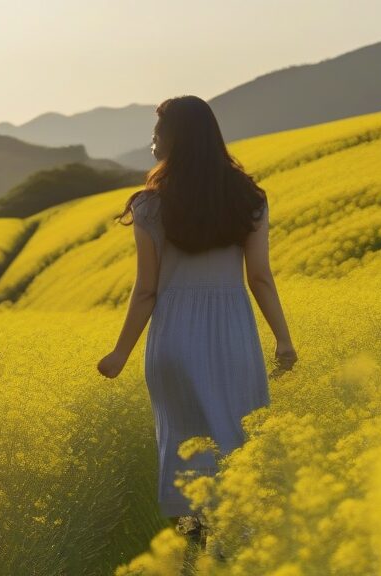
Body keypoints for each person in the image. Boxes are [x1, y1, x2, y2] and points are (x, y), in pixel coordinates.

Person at [97, 95, 297, 542]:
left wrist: (120, 353)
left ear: (175, 139)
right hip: (233, 337)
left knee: (185, 454)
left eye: (157, 133)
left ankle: (194, 553)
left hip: (175, 339)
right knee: (236, 444)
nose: (151, 142)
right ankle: (236, 552)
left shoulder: (149, 205)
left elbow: (146, 289)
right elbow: (260, 278)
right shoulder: (249, 199)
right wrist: (283, 340)